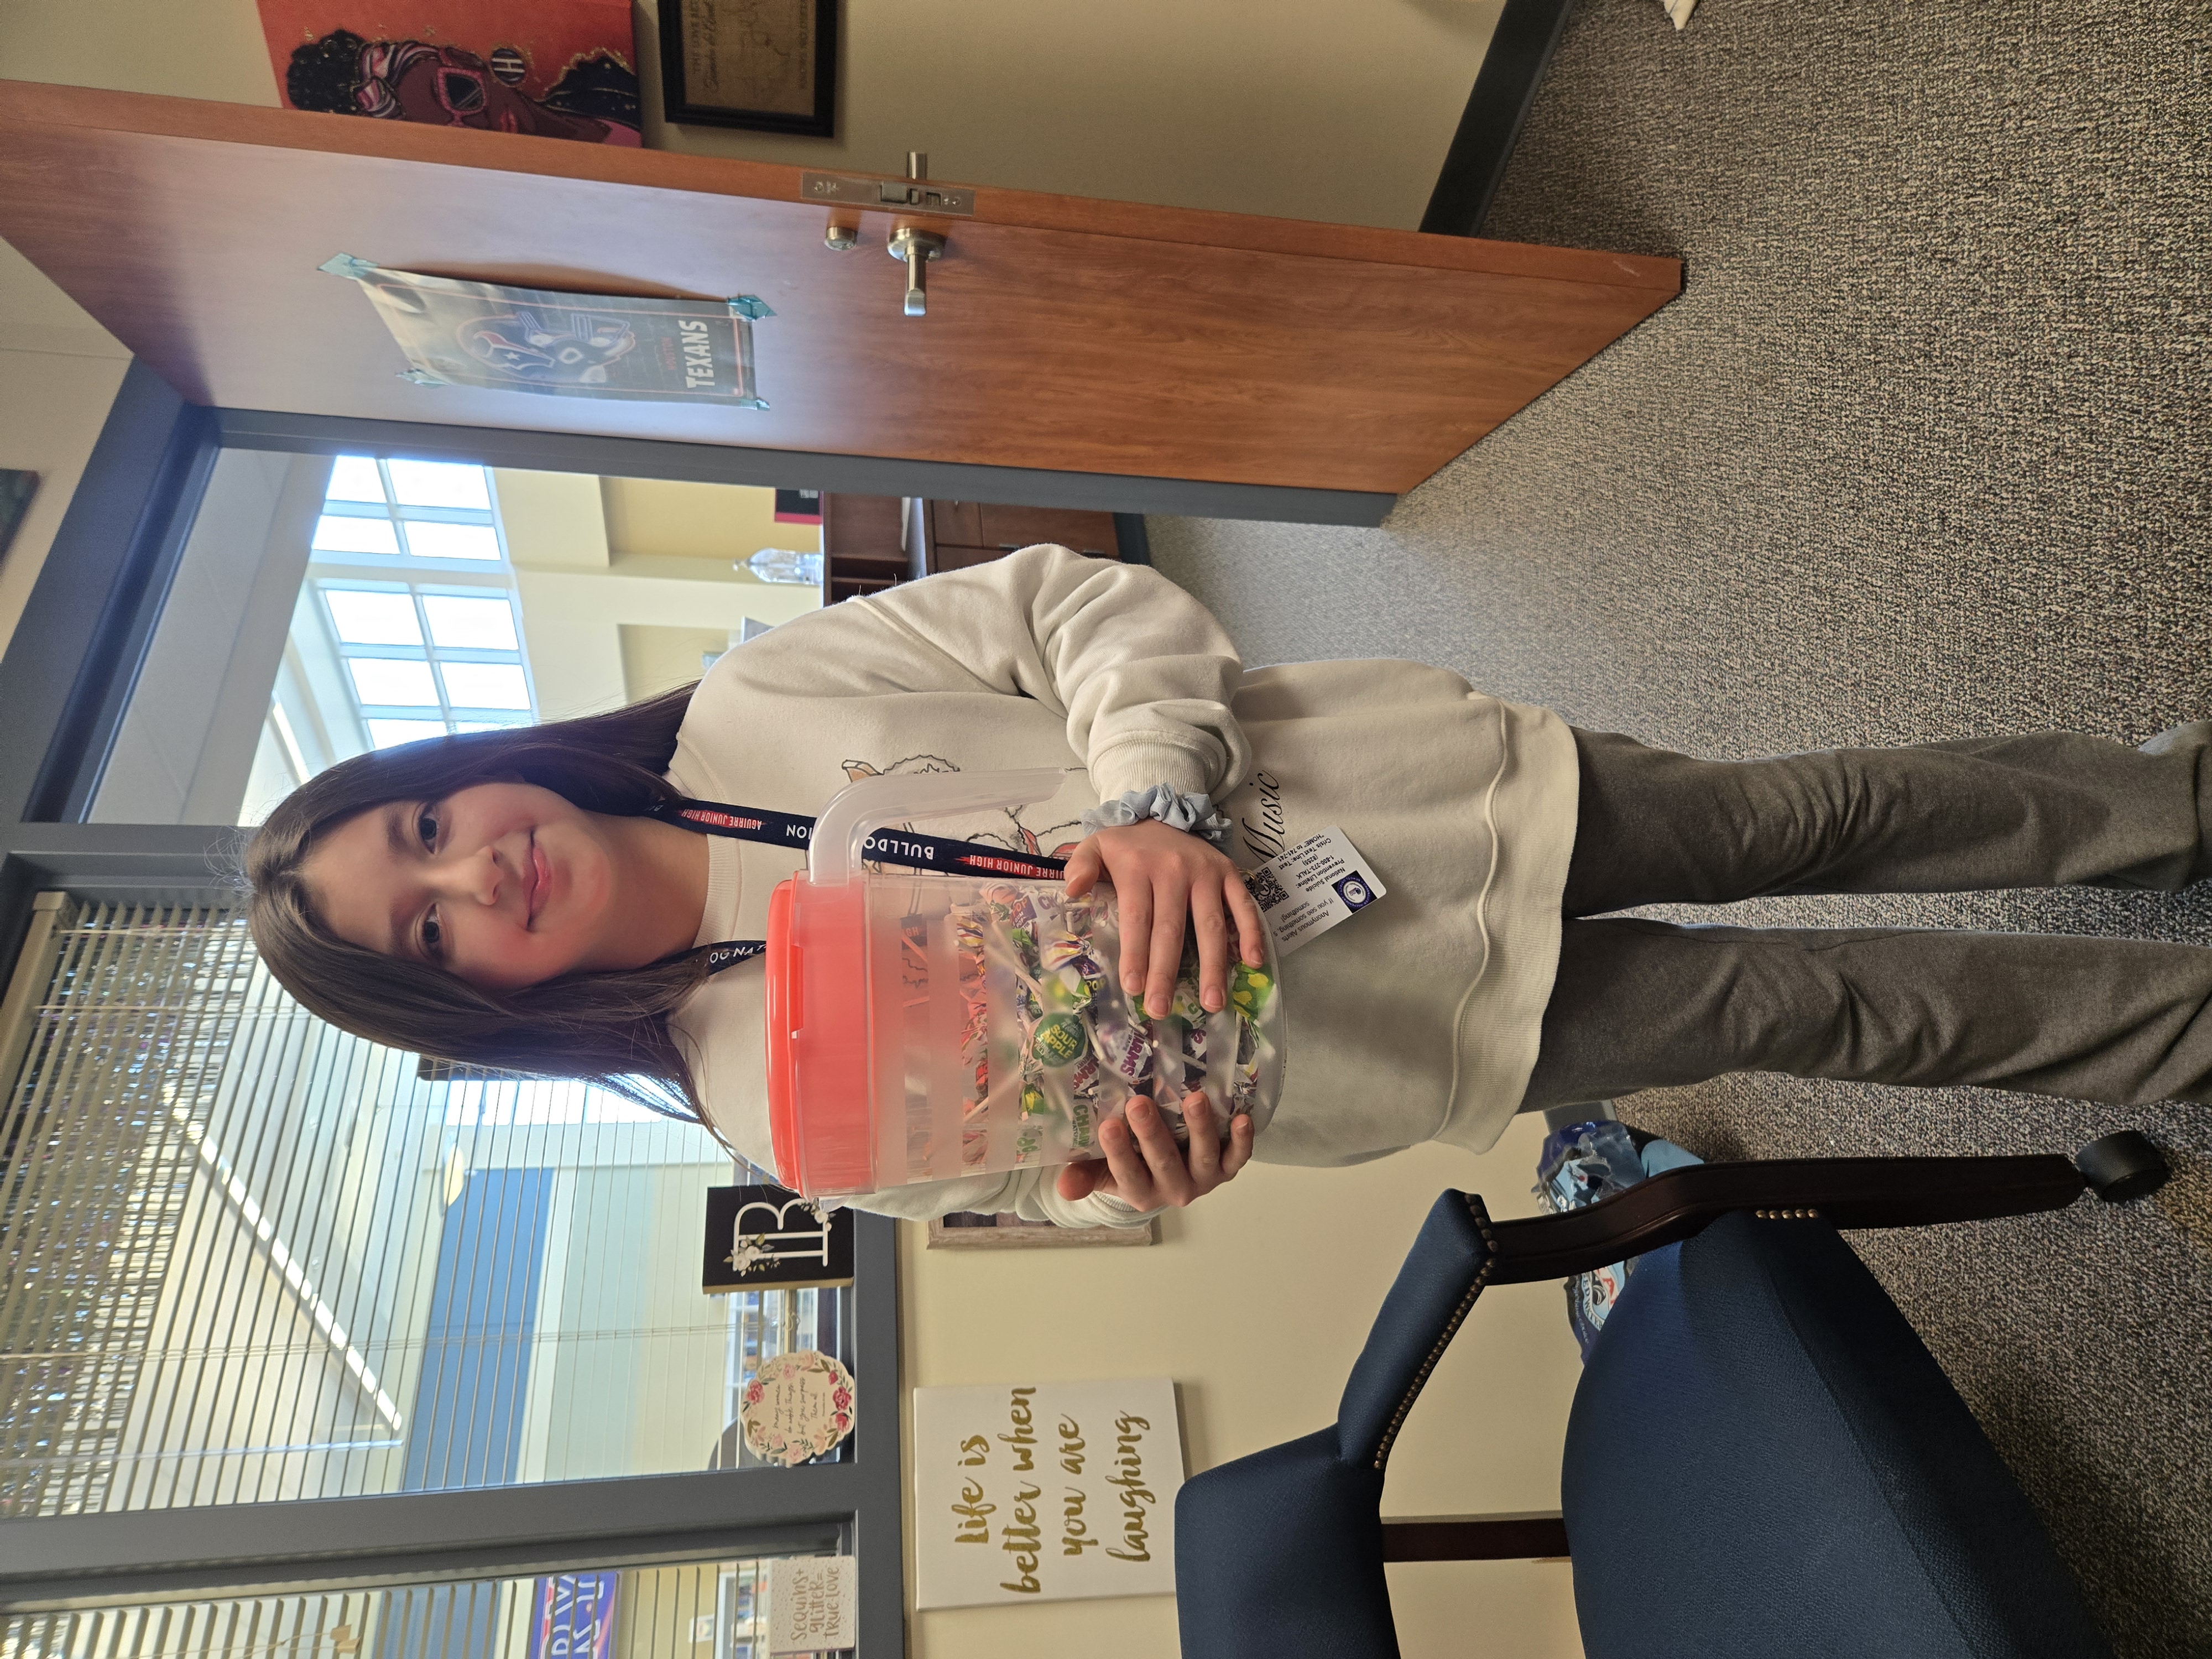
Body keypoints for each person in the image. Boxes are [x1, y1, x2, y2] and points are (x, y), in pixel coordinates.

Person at [247, 544, 2212, 1228]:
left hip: (1420, 805)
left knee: (1820, 815)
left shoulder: (765, 699)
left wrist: (1158, 796)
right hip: (1398, 1034)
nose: (473, 873)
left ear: (467, 769)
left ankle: (2165, 811)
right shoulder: (775, 1114)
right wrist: (1137, 1182)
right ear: (479, 1003)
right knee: (1832, 1018)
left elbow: (1085, 611)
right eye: (431, 931)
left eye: (423, 825)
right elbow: (1045, 1179)